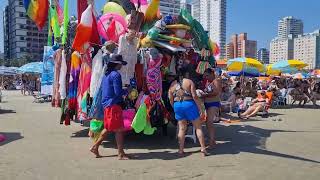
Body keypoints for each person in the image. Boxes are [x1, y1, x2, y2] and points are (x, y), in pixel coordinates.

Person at [90, 54, 130, 160]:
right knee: (119, 129)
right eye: (121, 64)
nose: (121, 66)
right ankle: (120, 153)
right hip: (114, 104)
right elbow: (118, 92)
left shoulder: (106, 75)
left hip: (107, 104)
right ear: (117, 64)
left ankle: (95, 146)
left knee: (108, 128)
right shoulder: (116, 75)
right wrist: (127, 90)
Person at [168, 67, 208, 156]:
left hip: (177, 105)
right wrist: (201, 108)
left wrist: (173, 106)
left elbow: (170, 97)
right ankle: (203, 148)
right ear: (186, 74)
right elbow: (194, 96)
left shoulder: (173, 84)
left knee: (181, 128)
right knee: (198, 127)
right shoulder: (189, 82)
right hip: (189, 104)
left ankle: (180, 150)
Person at [201, 68, 222, 148]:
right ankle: (212, 140)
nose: (206, 77)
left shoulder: (216, 80)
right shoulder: (209, 81)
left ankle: (211, 141)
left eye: (207, 75)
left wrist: (205, 95)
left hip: (213, 102)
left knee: (209, 122)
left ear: (212, 74)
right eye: (205, 76)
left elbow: (217, 92)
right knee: (208, 122)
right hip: (208, 102)